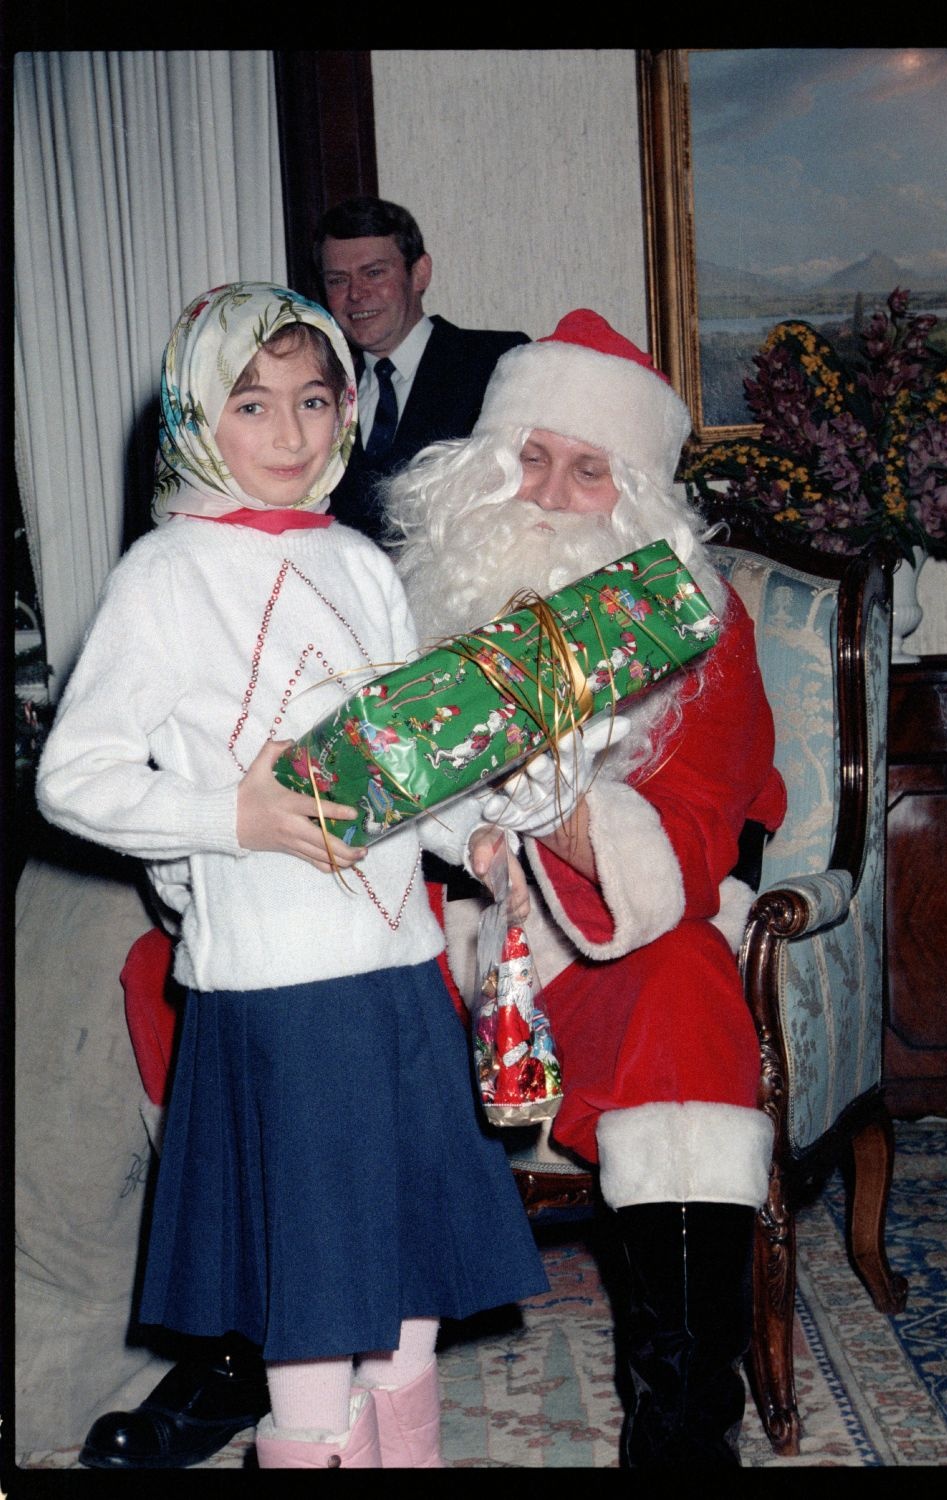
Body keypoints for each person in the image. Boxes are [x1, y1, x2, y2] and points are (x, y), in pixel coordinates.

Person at [36, 282, 547, 1471]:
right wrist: (238, 815)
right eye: (252, 404)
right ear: (197, 417)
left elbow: (401, 766)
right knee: (317, 1299)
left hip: (399, 969)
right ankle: (311, 1447)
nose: (290, 433)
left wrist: (469, 833)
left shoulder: (360, 562)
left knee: (409, 1281)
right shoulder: (166, 574)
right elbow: (75, 777)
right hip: (278, 993)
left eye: (314, 401)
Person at [384, 309, 788, 1468]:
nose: (552, 491)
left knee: (685, 990)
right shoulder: (404, 595)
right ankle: (244, 1354)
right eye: (531, 456)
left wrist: (544, 802)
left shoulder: (703, 621)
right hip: (427, 929)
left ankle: (679, 1415)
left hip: (596, 948)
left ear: (638, 494)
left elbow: (701, 827)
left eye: (589, 468)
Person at [315, 196, 529, 543]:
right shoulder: (321, 394)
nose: (356, 294)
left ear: (420, 273)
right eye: (338, 280)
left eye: (374, 273)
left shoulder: (496, 361)